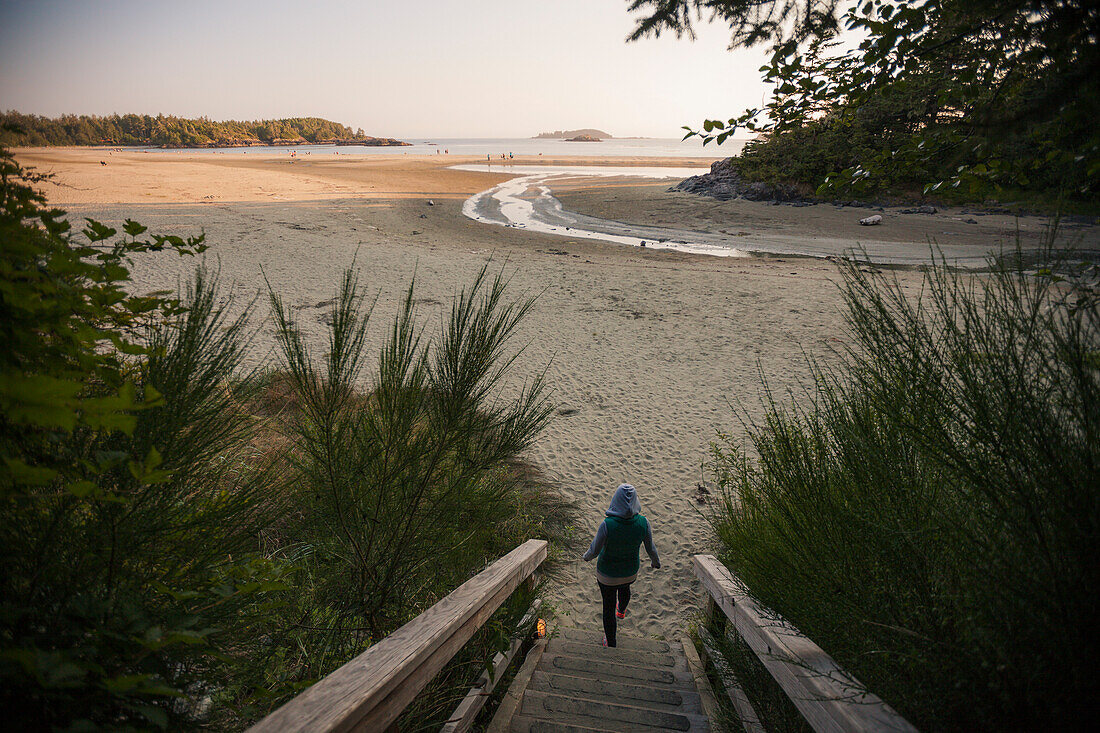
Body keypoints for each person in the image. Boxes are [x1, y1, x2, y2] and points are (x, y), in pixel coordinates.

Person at [582, 483, 660, 647]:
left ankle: (611, 642)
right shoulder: (643, 523)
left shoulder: (607, 524)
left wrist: (587, 557)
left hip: (607, 575)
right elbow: (650, 547)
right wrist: (655, 562)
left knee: (607, 606)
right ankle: (622, 610)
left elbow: (595, 549)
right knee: (625, 589)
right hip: (630, 572)